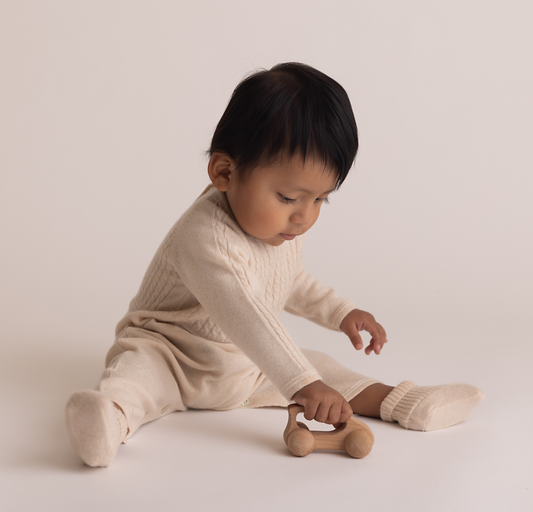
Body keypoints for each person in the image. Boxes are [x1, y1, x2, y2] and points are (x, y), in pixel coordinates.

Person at [65, 62, 484, 467]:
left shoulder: (275, 230)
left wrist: (341, 313)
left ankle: (404, 402)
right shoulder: (203, 237)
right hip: (173, 356)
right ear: (225, 172)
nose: (305, 216)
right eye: (288, 198)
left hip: (244, 366)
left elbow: (289, 280)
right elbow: (245, 314)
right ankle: (109, 420)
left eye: (320, 199)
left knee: (325, 368)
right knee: (136, 376)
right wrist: (301, 383)